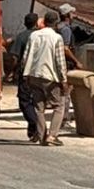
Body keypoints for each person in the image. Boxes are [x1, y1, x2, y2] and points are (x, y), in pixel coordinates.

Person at [20, 10, 68, 146]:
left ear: (44, 22)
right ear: (56, 23)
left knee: (38, 107)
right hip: (50, 77)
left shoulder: (34, 35)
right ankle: (52, 136)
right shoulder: (56, 38)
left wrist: (25, 74)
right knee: (59, 105)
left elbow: (25, 56)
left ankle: (42, 136)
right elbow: (60, 61)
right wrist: (64, 80)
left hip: (33, 75)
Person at [9, 11, 42, 142]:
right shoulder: (41, 36)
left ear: (24, 23)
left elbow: (14, 57)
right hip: (41, 73)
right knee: (36, 102)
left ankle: (36, 125)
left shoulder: (22, 37)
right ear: (37, 23)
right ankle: (33, 131)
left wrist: (11, 71)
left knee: (24, 102)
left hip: (26, 74)